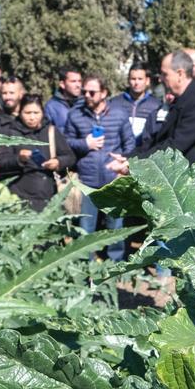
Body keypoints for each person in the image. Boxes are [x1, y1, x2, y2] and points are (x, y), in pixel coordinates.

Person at [107, 50, 195, 193]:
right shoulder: (181, 101)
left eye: (165, 74)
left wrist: (134, 164)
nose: (160, 79)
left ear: (180, 74)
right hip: (181, 186)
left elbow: (174, 146)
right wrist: (128, 157)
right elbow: (159, 140)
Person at [66, 75, 135, 260]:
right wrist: (85, 144)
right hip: (87, 181)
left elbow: (130, 144)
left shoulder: (119, 114)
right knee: (85, 229)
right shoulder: (75, 114)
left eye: (92, 92)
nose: (87, 95)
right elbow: (67, 142)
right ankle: (85, 267)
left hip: (114, 181)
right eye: (84, 91)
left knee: (115, 228)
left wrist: (123, 160)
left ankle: (115, 267)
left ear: (104, 93)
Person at [0, 95, 75, 211]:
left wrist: (58, 162)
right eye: (27, 113)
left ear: (42, 113)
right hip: (19, 199)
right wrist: (19, 159)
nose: (32, 117)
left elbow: (70, 157)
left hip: (49, 198)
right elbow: (1, 163)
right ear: (20, 112)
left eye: (36, 113)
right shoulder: (10, 133)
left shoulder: (51, 131)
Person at [113, 63, 162, 146]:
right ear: (128, 80)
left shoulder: (156, 105)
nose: (136, 82)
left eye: (140, 79)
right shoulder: (116, 103)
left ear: (147, 81)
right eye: (133, 79)